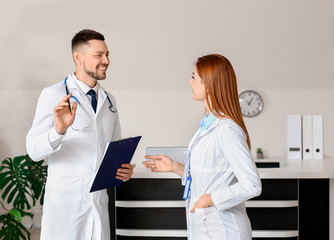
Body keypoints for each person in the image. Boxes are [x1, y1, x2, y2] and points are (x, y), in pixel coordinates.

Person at [26, 29, 134, 240]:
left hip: (98, 205)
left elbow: (114, 149)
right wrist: (59, 130)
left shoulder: (109, 100)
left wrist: (123, 169)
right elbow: (33, 150)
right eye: (99, 55)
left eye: (107, 54)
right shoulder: (54, 94)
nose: (106, 60)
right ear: (78, 57)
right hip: (66, 208)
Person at [143, 54, 262, 239]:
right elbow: (209, 176)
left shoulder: (227, 130)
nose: (190, 83)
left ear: (209, 84)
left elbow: (252, 185)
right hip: (205, 227)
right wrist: (175, 167)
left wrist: (209, 199)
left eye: (194, 77)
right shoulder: (208, 125)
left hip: (224, 229)